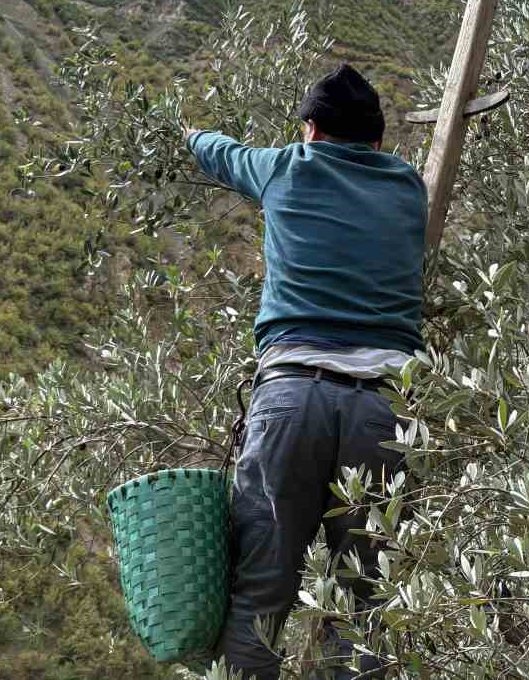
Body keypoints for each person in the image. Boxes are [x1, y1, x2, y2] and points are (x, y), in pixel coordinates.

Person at [182, 64, 425, 679]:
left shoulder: (286, 167)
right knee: (367, 605)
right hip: (385, 415)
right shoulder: (408, 187)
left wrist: (189, 134)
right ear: (377, 142)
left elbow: (221, 154)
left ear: (310, 130)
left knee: (260, 596)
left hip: (291, 400)